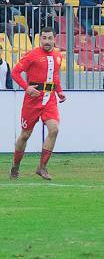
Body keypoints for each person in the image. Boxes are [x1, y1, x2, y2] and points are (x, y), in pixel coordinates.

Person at [9, 26, 65, 180]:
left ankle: (42, 167)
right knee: (25, 135)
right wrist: (26, 88)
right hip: (32, 100)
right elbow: (15, 72)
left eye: (50, 38)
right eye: (44, 38)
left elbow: (55, 76)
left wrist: (59, 91)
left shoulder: (58, 56)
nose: (47, 41)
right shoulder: (32, 55)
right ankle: (15, 166)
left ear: (55, 39)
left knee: (54, 130)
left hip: (50, 98)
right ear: (40, 39)